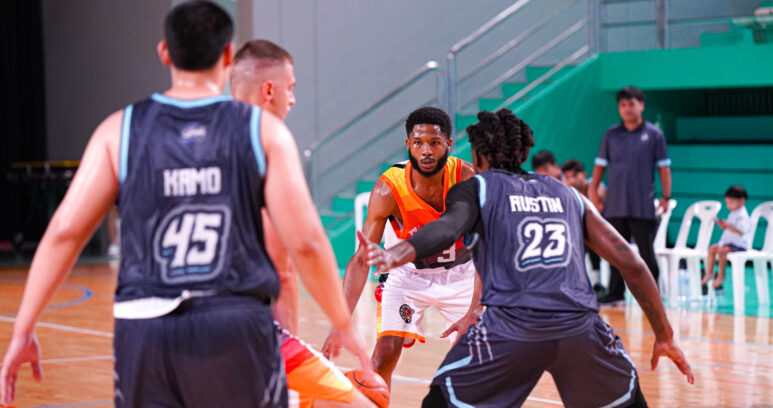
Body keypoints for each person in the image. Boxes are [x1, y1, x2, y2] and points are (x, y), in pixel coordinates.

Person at [0, 2, 371, 406]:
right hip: (232, 325)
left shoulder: (118, 130)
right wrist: (341, 321)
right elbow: (307, 243)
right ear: (227, 55)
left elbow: (65, 233)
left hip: (144, 329)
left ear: (165, 52)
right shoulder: (262, 131)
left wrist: (23, 328)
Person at [358, 109, 694, 407]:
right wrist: (664, 335)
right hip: (580, 329)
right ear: (524, 151)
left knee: (441, 401)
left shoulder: (478, 187)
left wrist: (398, 252)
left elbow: (446, 227)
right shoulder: (567, 194)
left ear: (477, 156)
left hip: (511, 329)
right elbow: (631, 262)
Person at [230, 39, 376, 408]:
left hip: (179, 334)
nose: (293, 99)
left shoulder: (196, 140)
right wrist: (341, 326)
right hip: (245, 331)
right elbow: (287, 263)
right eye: (290, 88)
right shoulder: (267, 142)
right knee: (363, 404)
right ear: (269, 90)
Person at [322, 107, 482, 388]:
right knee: (383, 355)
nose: (426, 151)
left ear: (448, 144)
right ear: (408, 145)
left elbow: (488, 247)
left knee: (480, 360)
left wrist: (475, 308)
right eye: (418, 143)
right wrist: (340, 323)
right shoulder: (388, 189)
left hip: (461, 276)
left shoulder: (467, 178)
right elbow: (360, 260)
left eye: (434, 143)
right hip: (409, 276)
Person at [589, 86, 672, 305]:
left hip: (642, 206)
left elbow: (664, 168)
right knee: (617, 253)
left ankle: (653, 295)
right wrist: (593, 191)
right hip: (615, 205)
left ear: (641, 105)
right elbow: (599, 166)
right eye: (623, 105)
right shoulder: (611, 134)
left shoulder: (654, 134)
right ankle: (616, 293)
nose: (627, 109)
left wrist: (666, 196)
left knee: (646, 252)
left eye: (631, 104)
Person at [702, 185, 751, 290]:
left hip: (738, 245)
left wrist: (727, 225)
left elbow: (741, 230)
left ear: (742, 201)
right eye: (727, 203)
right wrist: (724, 226)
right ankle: (709, 272)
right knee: (711, 249)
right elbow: (730, 229)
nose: (729, 206)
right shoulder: (733, 213)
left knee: (721, 251)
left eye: (731, 202)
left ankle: (721, 275)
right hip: (729, 243)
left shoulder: (742, 215)